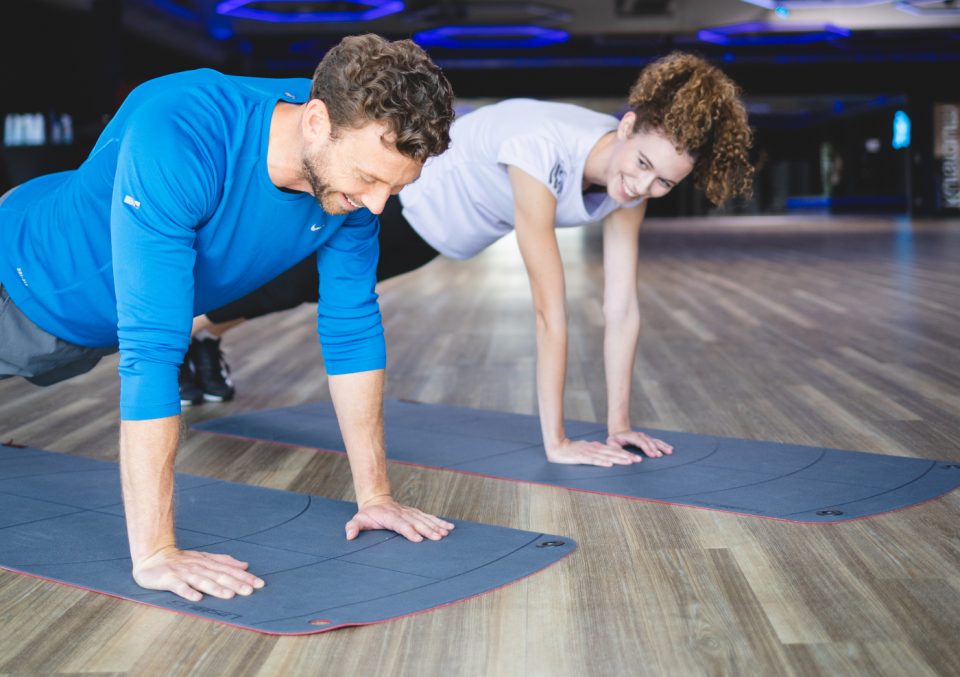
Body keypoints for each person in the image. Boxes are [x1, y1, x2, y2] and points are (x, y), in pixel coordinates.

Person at [0, 34, 457, 602]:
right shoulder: (183, 129)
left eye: (396, 186)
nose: (378, 203)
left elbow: (352, 327)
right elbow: (154, 350)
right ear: (316, 121)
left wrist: (376, 497)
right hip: (18, 286)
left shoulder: (348, 165)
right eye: (369, 178)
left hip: (84, 331)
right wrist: (156, 552)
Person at [181, 51, 755, 468]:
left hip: (434, 235)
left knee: (296, 288)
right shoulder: (543, 148)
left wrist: (619, 427)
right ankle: (187, 335)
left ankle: (203, 340)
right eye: (644, 166)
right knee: (292, 284)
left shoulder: (629, 185)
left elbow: (622, 309)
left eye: (664, 183)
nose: (644, 186)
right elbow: (549, 312)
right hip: (404, 205)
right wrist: (557, 443)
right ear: (626, 126)